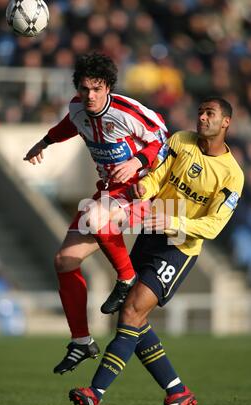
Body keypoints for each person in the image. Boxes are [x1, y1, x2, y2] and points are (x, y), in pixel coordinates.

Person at [68, 97, 245, 405]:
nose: (202, 117)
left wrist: (174, 222)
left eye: (210, 113)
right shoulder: (180, 140)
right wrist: (144, 189)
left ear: (226, 123)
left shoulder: (232, 175)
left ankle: (95, 393)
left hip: (179, 244)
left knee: (132, 311)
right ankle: (177, 391)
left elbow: (214, 225)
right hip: (153, 227)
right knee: (134, 316)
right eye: (201, 111)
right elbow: (157, 175)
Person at [23, 53, 168, 374]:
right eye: (85, 88)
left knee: (97, 215)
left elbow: (162, 138)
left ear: (108, 88)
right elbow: (69, 126)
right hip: (107, 193)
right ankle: (81, 341)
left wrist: (138, 162)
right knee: (65, 260)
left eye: (97, 89)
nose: (90, 95)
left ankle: (127, 278)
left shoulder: (127, 111)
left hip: (143, 190)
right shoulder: (78, 108)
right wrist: (44, 142)